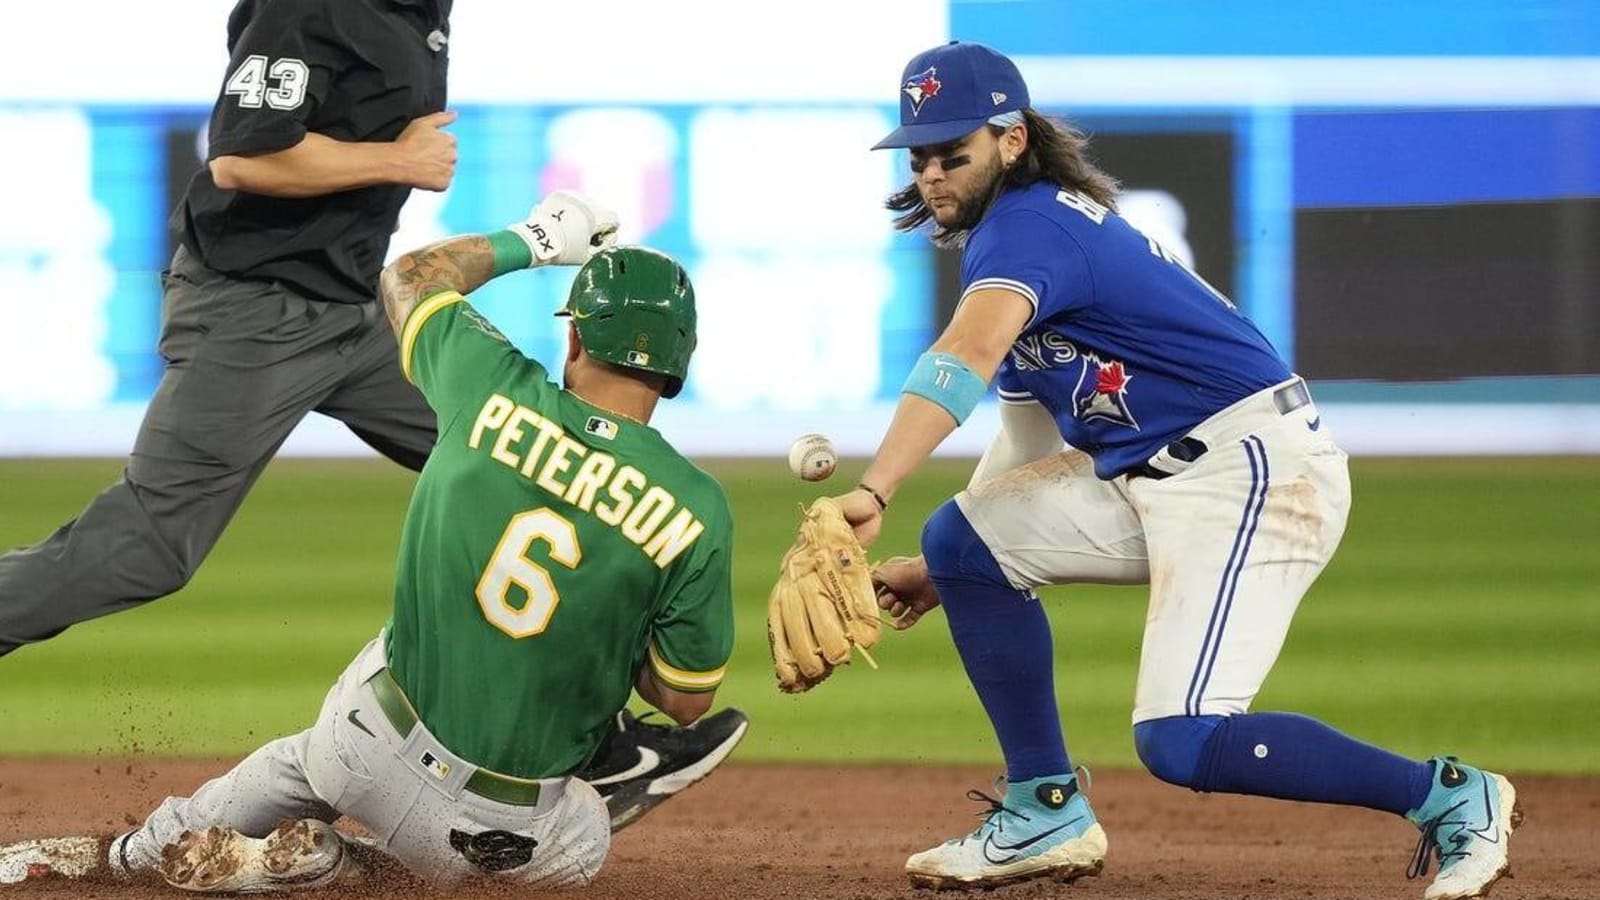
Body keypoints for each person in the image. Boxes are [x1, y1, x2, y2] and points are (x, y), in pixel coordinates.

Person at [0, 0, 741, 829]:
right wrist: (398, 158)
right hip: (257, 313)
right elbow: (243, 159)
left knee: (537, 457)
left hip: (349, 315)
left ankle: (602, 744)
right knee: (148, 548)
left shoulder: (419, 10)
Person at [844, 41, 1519, 900]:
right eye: (922, 154)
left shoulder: (1033, 224)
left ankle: (1450, 796)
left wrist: (874, 490)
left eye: (955, 150)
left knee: (1182, 739)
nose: (934, 171)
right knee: (962, 538)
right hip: (1153, 478)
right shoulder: (1007, 240)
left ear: (1012, 140)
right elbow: (1024, 441)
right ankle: (1043, 808)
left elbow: (965, 352)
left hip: (1252, 469)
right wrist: (949, 569)